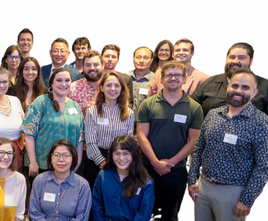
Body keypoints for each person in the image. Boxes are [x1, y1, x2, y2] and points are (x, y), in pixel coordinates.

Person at [188, 68, 268, 220]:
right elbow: (198, 148)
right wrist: (192, 179)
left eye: (245, 87)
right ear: (228, 87)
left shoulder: (262, 123)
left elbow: (263, 167)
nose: (238, 90)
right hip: (203, 189)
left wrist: (247, 199)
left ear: (254, 92)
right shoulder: (213, 114)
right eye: (235, 86)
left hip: (233, 193)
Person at [136, 60, 203, 221]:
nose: (173, 78)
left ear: (184, 78)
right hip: (147, 168)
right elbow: (141, 136)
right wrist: (155, 162)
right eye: (169, 75)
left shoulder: (194, 107)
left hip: (176, 170)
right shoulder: (148, 104)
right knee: (143, 213)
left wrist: (170, 162)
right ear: (162, 79)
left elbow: (193, 141)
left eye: (177, 75)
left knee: (170, 216)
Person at [191, 42, 268, 134]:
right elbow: (192, 110)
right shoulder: (209, 83)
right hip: (211, 145)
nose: (235, 61)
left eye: (242, 58)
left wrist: (266, 145)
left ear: (251, 61)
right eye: (232, 57)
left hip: (247, 148)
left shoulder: (267, 87)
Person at [22, 67, 84, 179]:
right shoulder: (41, 102)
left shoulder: (76, 107)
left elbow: (80, 139)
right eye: (59, 80)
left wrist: (76, 163)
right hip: (41, 165)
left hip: (66, 166)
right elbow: (29, 133)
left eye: (67, 80)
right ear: (51, 84)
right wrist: (33, 162)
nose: (63, 84)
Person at [84, 72, 134, 187]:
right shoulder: (92, 111)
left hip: (120, 160)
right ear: (101, 88)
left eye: (116, 85)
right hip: (95, 160)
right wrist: (101, 162)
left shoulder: (128, 113)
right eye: (108, 85)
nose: (112, 89)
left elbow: (128, 141)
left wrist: (118, 161)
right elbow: (90, 141)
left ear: (121, 88)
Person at [91, 136, 154, 221]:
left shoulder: (145, 183)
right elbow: (97, 206)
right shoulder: (103, 176)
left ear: (134, 154)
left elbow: (144, 214)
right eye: (117, 153)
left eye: (126, 153)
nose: (121, 158)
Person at [29, 139, 92, 221]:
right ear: (50, 158)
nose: (61, 159)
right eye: (56, 155)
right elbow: (34, 212)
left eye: (66, 155)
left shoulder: (83, 185)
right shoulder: (40, 181)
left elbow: (82, 217)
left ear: (73, 158)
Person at [69, 50, 103, 114]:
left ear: (102, 65)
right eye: (88, 65)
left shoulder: (111, 87)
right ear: (83, 66)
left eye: (96, 64)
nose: (92, 68)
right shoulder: (72, 88)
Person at [127, 47, 155, 117]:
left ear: (151, 60)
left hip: (145, 122)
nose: (141, 61)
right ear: (133, 59)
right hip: (124, 121)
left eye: (146, 58)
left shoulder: (155, 80)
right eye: (138, 57)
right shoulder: (125, 78)